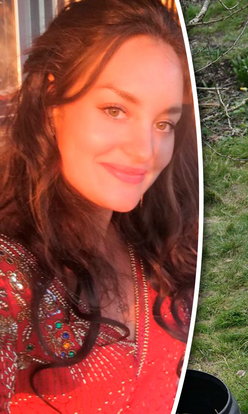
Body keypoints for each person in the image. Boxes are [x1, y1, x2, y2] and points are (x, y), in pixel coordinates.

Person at [0, 0, 199, 412]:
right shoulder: (11, 273)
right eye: (115, 110)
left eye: (164, 123)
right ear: (53, 99)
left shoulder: (161, 236)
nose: (145, 151)